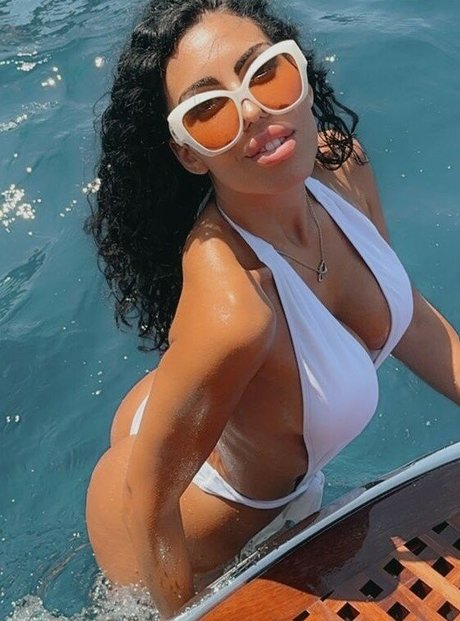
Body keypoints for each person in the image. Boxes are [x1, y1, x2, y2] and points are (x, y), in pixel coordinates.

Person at [84, 0, 460, 618]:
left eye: (265, 72)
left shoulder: (342, 167)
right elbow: (147, 501)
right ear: (189, 153)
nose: (255, 110)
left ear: (300, 70)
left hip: (235, 433)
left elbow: (411, 319)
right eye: (210, 110)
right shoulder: (236, 309)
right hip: (192, 529)